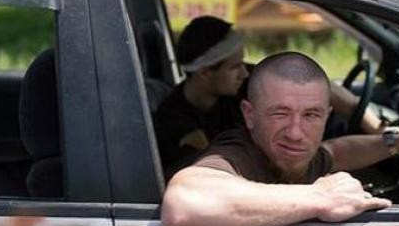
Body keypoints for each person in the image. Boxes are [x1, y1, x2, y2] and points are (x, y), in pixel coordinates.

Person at [162, 52, 399, 226]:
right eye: (280, 113)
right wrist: (321, 197)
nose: (296, 133)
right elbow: (184, 205)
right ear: (249, 115)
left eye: (311, 115)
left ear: (327, 116)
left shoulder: (293, 153)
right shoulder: (237, 152)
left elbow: (338, 152)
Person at [154, 16, 385, 171]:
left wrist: (377, 128)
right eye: (235, 66)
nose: (244, 72)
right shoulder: (176, 120)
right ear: (205, 73)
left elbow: (324, 87)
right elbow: (217, 172)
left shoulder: (241, 81)